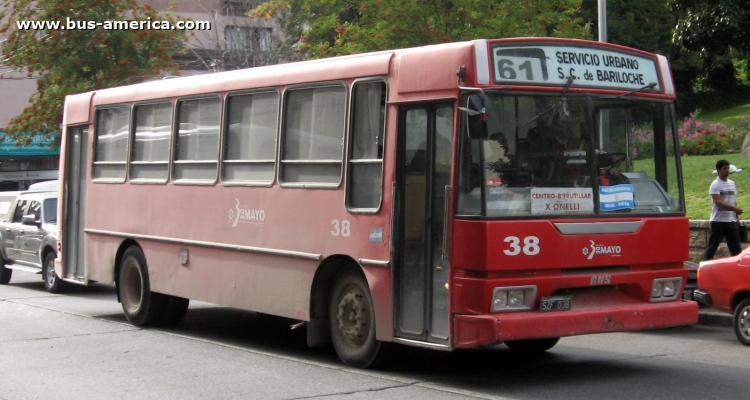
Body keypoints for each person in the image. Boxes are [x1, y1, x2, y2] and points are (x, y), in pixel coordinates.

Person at [703, 159, 744, 260]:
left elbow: (733, 200)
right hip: (718, 221)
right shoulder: (715, 184)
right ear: (718, 170)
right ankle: (704, 267)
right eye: (724, 169)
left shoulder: (732, 183)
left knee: (736, 249)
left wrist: (736, 217)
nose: (727, 171)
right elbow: (718, 202)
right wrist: (734, 209)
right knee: (712, 248)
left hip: (731, 221)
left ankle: (737, 270)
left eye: (728, 168)